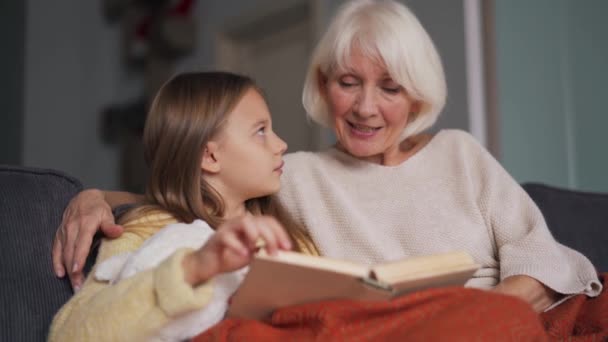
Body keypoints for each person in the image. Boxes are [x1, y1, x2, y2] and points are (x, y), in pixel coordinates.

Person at [54, 0, 602, 318]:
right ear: (323, 84)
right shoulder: (294, 176)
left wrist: (481, 320)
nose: (366, 108)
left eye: (390, 87)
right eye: (348, 83)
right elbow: (191, 196)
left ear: (418, 95)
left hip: (498, 322)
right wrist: (93, 197)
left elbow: (542, 258)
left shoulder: (461, 154)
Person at [48, 71, 317, 341]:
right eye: (260, 131)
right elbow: (68, 335)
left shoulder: (291, 236)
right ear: (209, 156)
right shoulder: (145, 231)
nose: (281, 145)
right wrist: (191, 268)